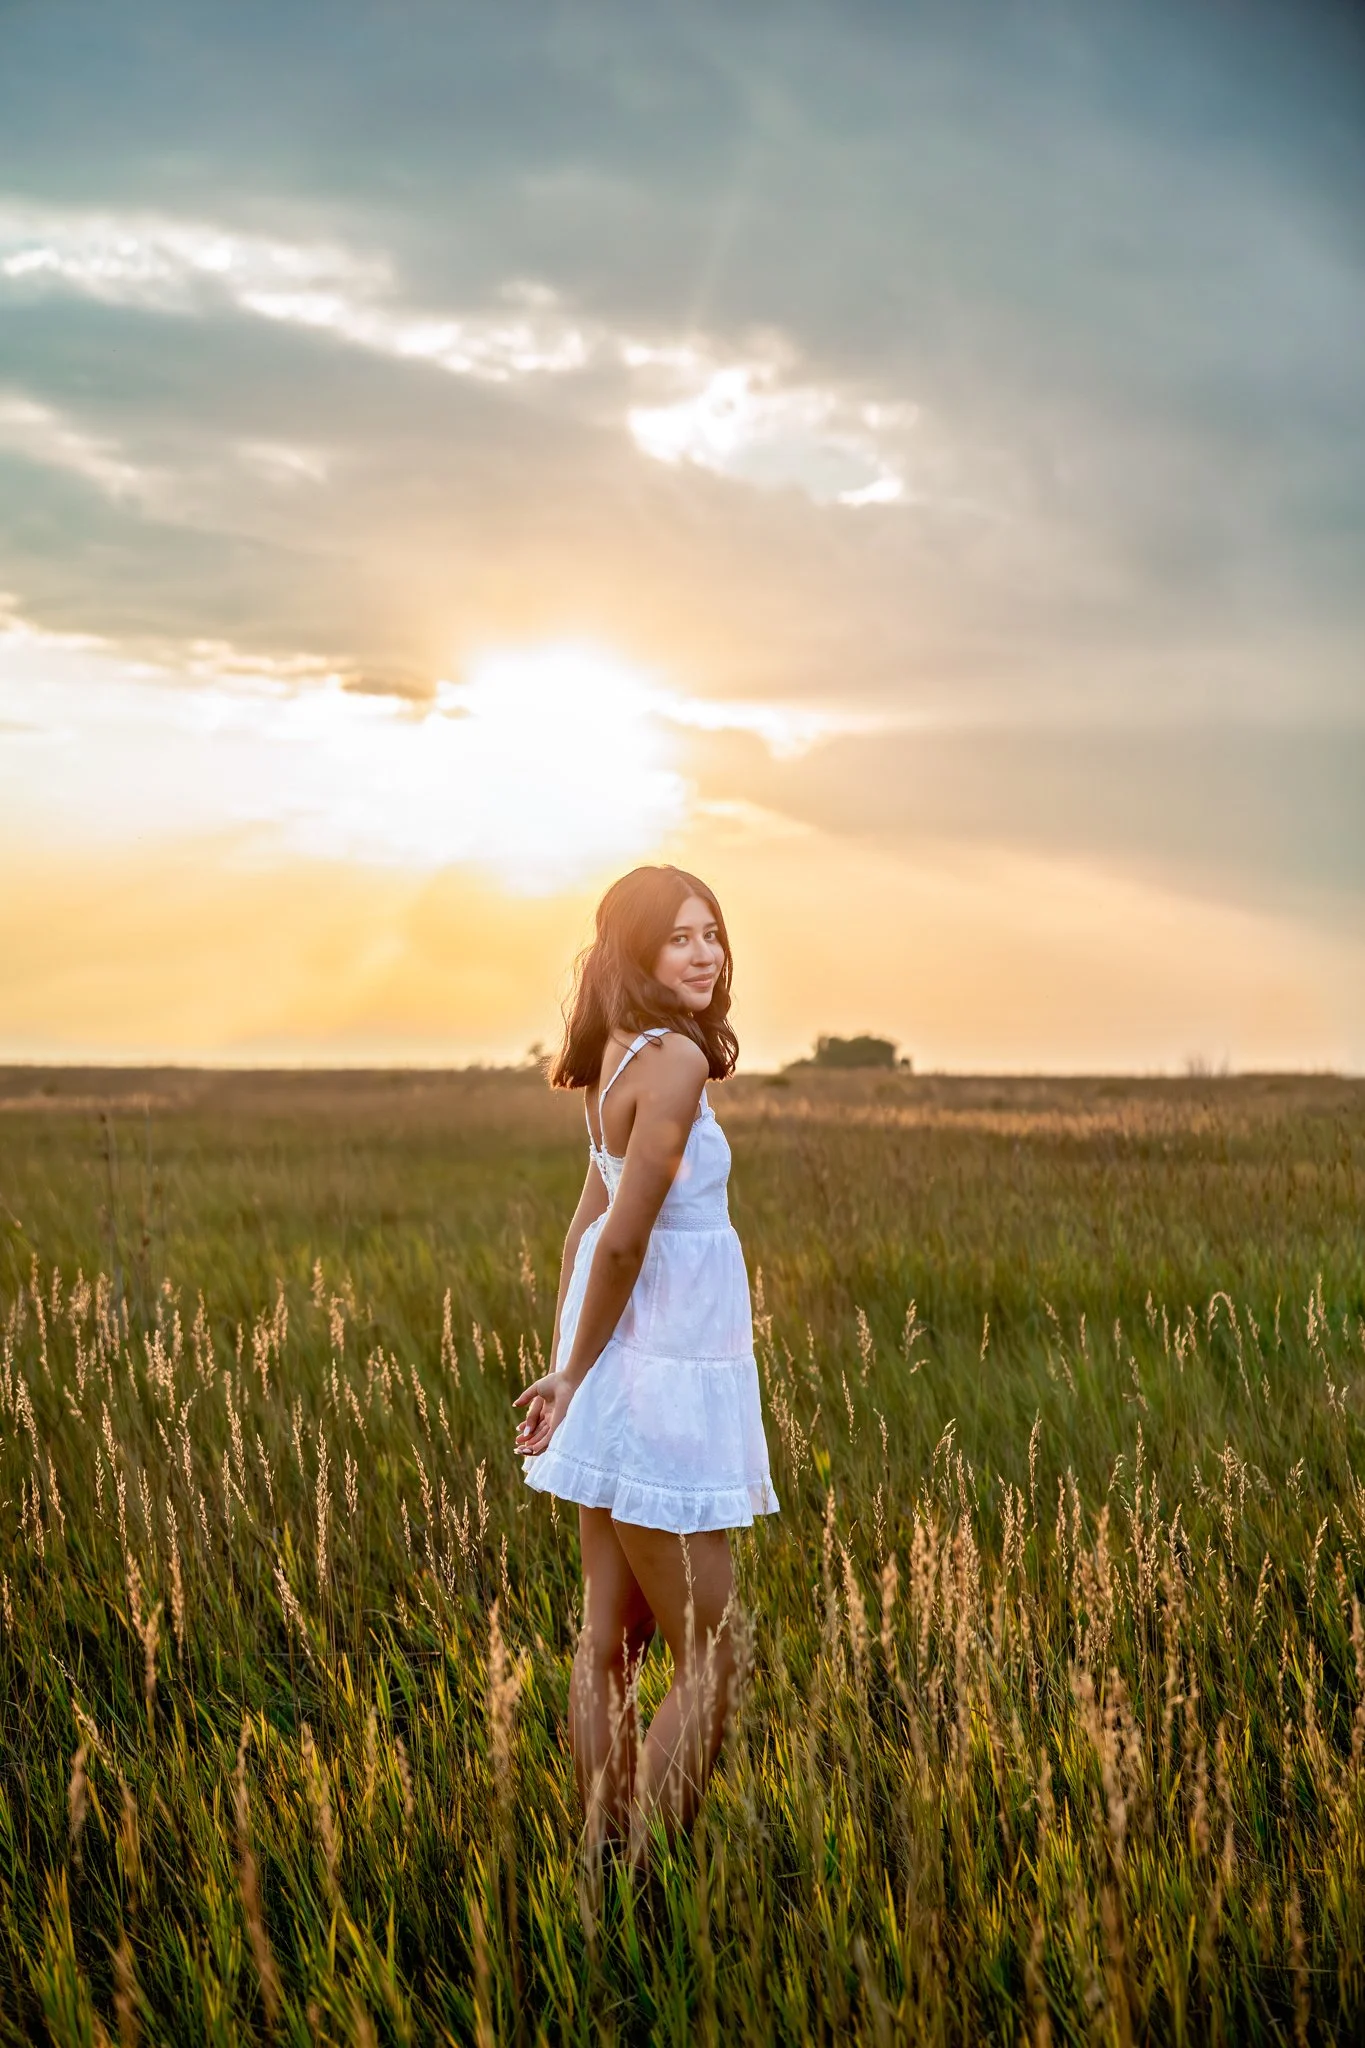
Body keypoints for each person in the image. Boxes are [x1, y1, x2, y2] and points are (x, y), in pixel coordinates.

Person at [513, 864, 779, 1866]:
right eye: (679, 937)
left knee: (607, 1646)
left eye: (712, 931)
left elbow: (583, 1230)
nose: (704, 952)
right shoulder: (672, 1063)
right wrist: (572, 1375)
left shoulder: (616, 1058)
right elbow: (617, 1239)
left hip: (622, 1374)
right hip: (663, 1383)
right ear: (633, 951)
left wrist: (570, 1370)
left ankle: (598, 1857)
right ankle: (639, 1881)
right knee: (712, 1654)